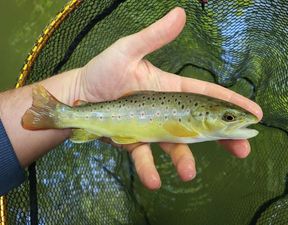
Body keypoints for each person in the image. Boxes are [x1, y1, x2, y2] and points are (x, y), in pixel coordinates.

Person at [0, 7, 262, 195]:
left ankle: (62, 113)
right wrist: (77, 88)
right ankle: (60, 113)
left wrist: (75, 90)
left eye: (229, 118)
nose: (232, 122)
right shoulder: (191, 128)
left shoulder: (198, 126)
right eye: (228, 118)